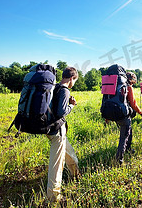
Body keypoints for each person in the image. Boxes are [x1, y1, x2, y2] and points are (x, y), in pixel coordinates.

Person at [46, 66, 80, 202]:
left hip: (50, 129)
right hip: (57, 131)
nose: (74, 84)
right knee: (57, 165)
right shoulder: (65, 90)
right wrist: (71, 105)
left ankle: (76, 175)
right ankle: (53, 196)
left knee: (70, 155)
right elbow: (61, 112)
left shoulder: (54, 87)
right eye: (75, 81)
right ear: (72, 78)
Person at [116, 72, 142, 164]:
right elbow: (133, 103)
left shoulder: (117, 86)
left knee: (127, 132)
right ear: (131, 79)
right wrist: (141, 113)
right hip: (124, 114)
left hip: (115, 113)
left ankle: (128, 149)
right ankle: (119, 160)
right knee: (124, 137)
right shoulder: (128, 87)